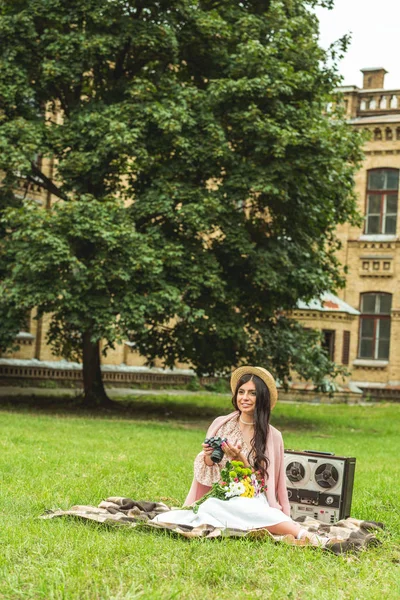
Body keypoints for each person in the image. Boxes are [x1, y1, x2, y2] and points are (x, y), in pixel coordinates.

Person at [152, 366, 329, 546]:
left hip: (252, 497)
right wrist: (208, 456)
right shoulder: (221, 425)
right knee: (211, 507)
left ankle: (303, 534)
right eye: (241, 392)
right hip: (222, 497)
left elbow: (263, 483)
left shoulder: (273, 436)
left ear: (262, 398)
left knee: (252, 510)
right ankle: (271, 527)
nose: (244, 398)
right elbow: (207, 473)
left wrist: (241, 461)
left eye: (252, 393)